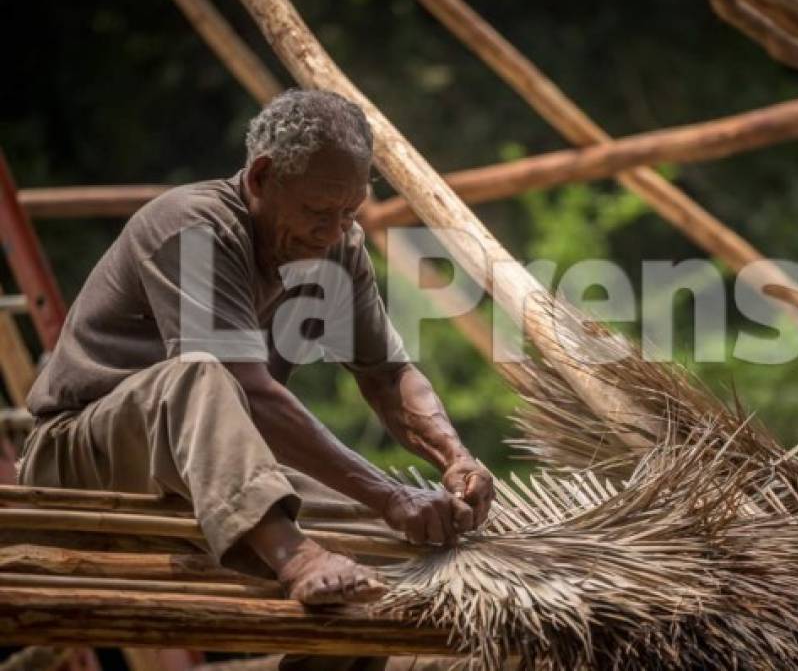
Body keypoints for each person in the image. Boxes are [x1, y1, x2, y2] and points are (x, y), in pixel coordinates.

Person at [16, 89, 495, 608]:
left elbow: (385, 375)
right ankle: (296, 557)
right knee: (200, 374)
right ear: (261, 177)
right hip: (85, 454)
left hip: (210, 470)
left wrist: (454, 455)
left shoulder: (338, 247)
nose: (334, 232)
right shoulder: (194, 227)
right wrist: (391, 494)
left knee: (382, 555)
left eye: (349, 213)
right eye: (318, 211)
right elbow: (246, 391)